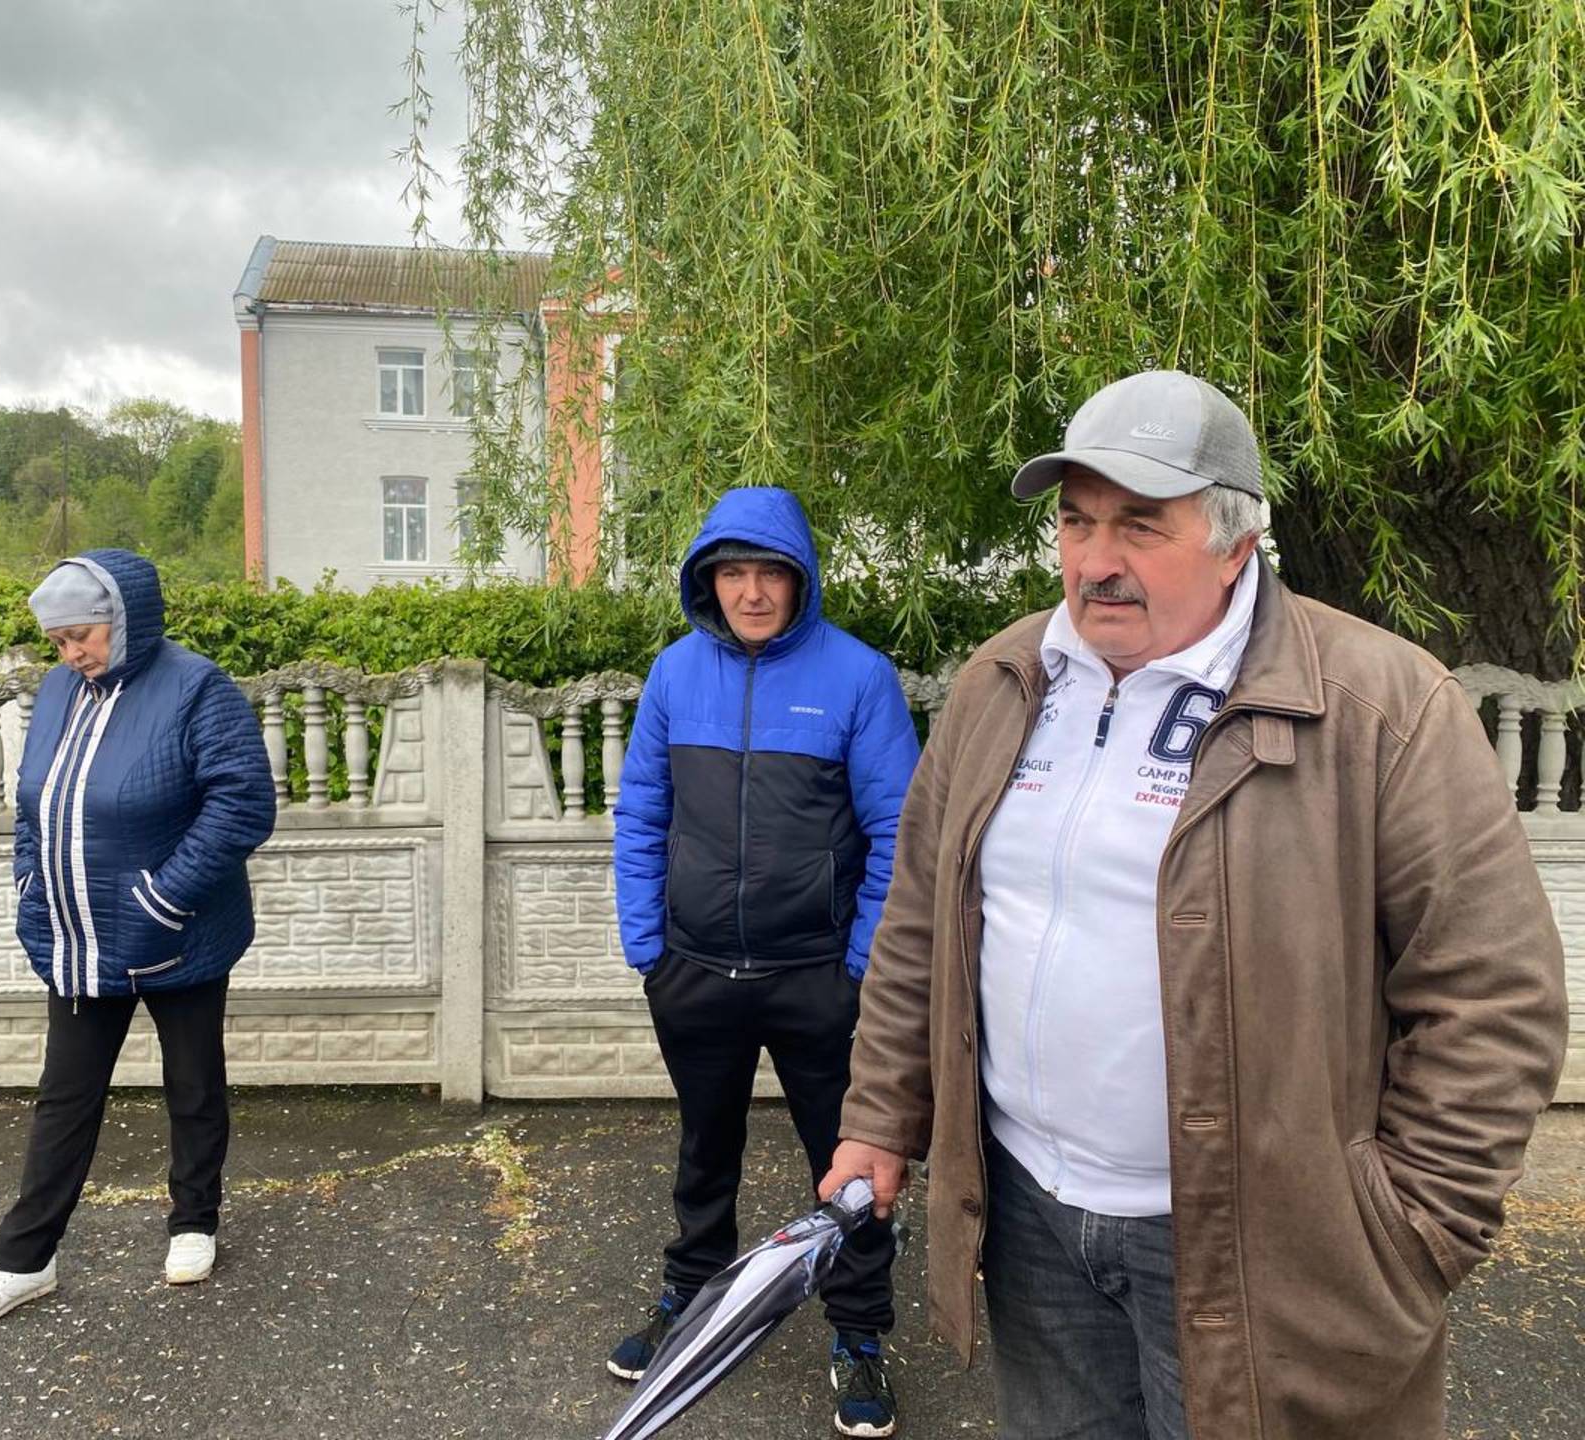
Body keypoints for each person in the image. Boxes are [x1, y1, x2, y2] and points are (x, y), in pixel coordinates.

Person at [820, 370, 1569, 1438]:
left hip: (1265, 1248)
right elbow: (921, 930)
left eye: (1139, 525)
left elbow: (1494, 996)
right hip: (1030, 1219)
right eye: (1076, 522)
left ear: (1235, 543)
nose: (1096, 560)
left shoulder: (1380, 711)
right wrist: (880, 1121)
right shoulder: (1003, 683)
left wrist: (1408, 1233)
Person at [610, 486, 920, 1438]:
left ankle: (860, 1333)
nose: (750, 592)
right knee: (706, 1149)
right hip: (695, 972)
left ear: (800, 580)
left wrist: (859, 964)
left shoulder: (858, 678)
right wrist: (647, 945)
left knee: (850, 1170)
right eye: (732, 573)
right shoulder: (673, 675)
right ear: (709, 581)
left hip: (813, 978)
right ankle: (693, 1295)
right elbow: (642, 814)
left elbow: (898, 830)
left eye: (768, 573)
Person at [0, 548, 276, 1324]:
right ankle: (23, 1261)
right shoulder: (61, 690)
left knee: (193, 1084)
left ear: (127, 617)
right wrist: (29, 879)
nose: (71, 654)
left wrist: (164, 897)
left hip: (178, 933)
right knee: (65, 1098)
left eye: (82, 636)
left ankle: (194, 1221)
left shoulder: (198, 688)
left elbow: (243, 806)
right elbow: (31, 800)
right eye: (59, 642)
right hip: (77, 935)